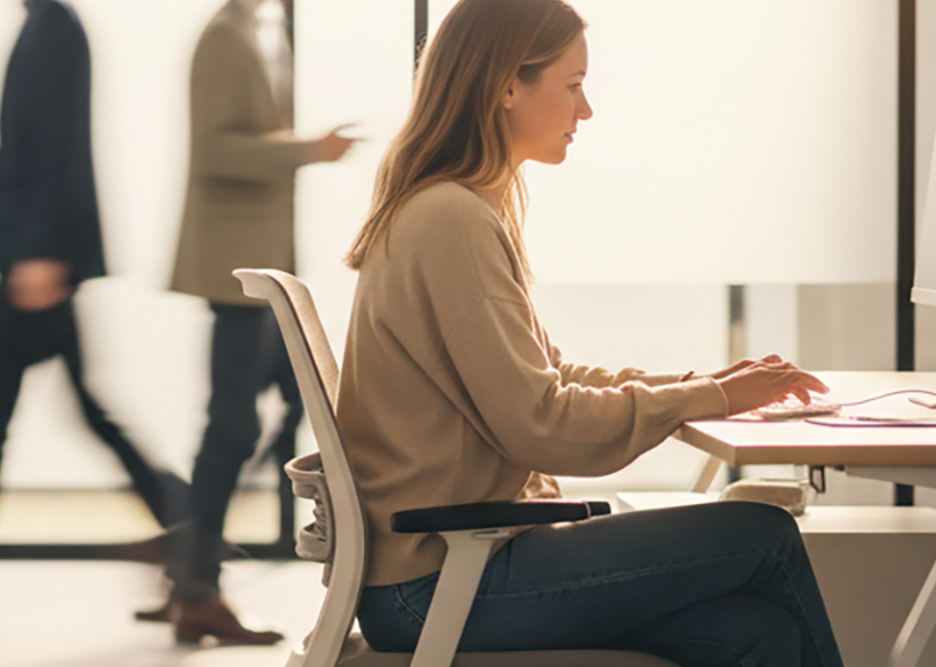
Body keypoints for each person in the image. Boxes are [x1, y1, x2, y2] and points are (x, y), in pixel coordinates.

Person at [335, 1, 846, 665]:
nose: (587, 110)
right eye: (573, 85)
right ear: (507, 86)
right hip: (438, 582)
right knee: (765, 534)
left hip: (456, 564)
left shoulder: (452, 209)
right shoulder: (449, 220)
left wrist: (706, 385)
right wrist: (706, 401)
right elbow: (541, 422)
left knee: (755, 632)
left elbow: (549, 379)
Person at [0, 0, 189, 624]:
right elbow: (23, 153)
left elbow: (52, 150)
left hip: (38, 264)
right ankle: (194, 537)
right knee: (62, 411)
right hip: (41, 257)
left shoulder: (54, 29)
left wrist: (43, 255)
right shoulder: (48, 26)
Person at [151, 0, 355, 646]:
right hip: (234, 272)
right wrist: (309, 150)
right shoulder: (224, 37)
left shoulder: (254, 34)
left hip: (256, 267)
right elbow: (214, 148)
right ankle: (196, 582)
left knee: (270, 414)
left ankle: (191, 568)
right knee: (236, 424)